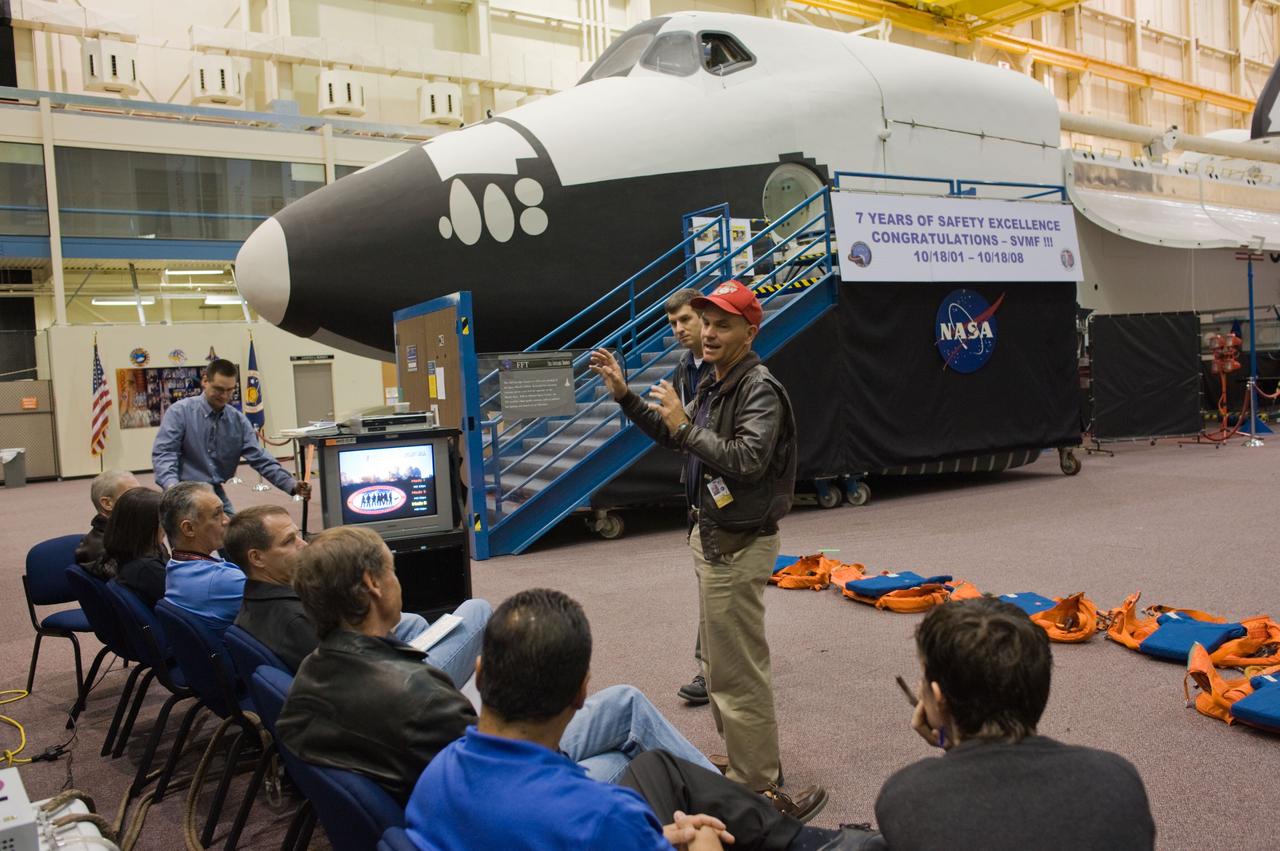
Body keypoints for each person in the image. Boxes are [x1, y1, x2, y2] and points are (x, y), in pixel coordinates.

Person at [277, 526, 720, 805]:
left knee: (625, 709)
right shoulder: (421, 696)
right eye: (393, 571)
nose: (399, 581)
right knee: (625, 738)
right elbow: (514, 773)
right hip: (498, 813)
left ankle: (720, 797)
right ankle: (734, 807)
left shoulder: (308, 678)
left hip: (423, 805)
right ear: (373, 585)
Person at [407, 588, 850, 851]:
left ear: (480, 674)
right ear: (582, 692)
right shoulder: (604, 818)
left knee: (636, 750)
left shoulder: (433, 779)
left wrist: (653, 837)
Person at [591, 280, 806, 801]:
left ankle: (758, 786)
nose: (707, 333)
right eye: (705, 322)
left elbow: (747, 460)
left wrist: (686, 429)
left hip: (736, 543)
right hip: (712, 538)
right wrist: (626, 397)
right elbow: (675, 435)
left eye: (721, 325)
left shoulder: (758, 387)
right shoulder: (715, 379)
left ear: (749, 332)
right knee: (718, 666)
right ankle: (744, 763)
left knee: (737, 673)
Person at [874, 596, 1156, 851]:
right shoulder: (1116, 779)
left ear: (937, 698)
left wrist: (949, 743)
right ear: (1041, 686)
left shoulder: (907, 795)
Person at [228, 505, 491, 680]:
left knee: (415, 622)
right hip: (390, 689)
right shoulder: (295, 621)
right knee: (477, 608)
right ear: (257, 558)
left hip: (364, 671)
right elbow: (355, 674)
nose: (304, 544)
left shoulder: (255, 598)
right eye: (288, 541)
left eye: (298, 535)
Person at [151, 358, 309, 515]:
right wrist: (172, 489)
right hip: (183, 492)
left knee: (233, 535)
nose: (225, 396)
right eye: (219, 389)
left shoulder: (237, 420)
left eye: (230, 390)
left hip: (214, 491)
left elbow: (261, 458)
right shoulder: (180, 412)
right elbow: (165, 454)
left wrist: (291, 484)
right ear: (205, 381)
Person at [666, 288, 714, 708]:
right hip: (699, 490)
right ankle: (714, 667)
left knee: (719, 588)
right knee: (710, 585)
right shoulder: (685, 368)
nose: (679, 330)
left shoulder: (730, 368)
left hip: (731, 498)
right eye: (673, 324)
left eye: (685, 320)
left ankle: (711, 670)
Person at [159, 481, 240, 634]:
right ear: (189, 528)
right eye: (217, 514)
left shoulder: (175, 565)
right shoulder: (224, 580)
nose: (227, 520)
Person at [99, 487, 169, 608]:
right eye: (161, 521)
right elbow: (185, 601)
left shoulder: (126, 552)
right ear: (145, 528)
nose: (166, 527)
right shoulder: (147, 568)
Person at [76, 469, 140, 571]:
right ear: (107, 503)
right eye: (133, 494)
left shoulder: (135, 531)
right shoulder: (102, 550)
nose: (142, 499)